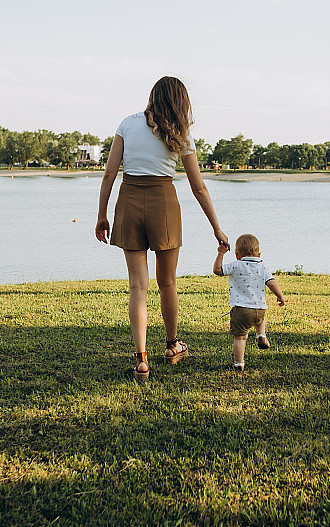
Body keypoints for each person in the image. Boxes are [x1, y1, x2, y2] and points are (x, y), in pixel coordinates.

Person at [96, 76, 228, 380]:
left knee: (137, 286)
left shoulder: (127, 124)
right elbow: (199, 188)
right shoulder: (180, 133)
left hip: (129, 202)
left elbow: (109, 175)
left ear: (153, 96)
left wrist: (102, 215)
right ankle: (171, 346)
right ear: (180, 101)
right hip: (164, 204)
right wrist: (216, 228)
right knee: (167, 282)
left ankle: (141, 359)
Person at [213, 233, 285, 371]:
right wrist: (280, 296)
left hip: (242, 310)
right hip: (261, 310)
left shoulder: (236, 265)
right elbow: (272, 283)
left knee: (240, 338)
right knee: (259, 317)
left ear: (237, 255)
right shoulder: (262, 267)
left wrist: (221, 254)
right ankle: (261, 335)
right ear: (259, 255)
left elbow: (217, 270)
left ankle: (239, 363)